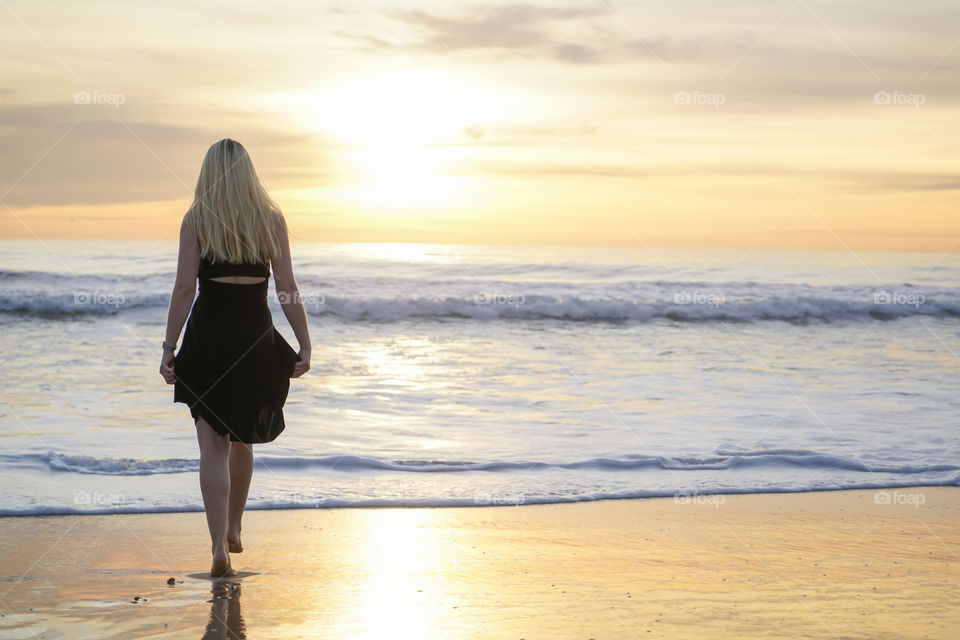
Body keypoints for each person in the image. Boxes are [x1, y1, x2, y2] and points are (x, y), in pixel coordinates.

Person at [159, 138, 311, 577]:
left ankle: (215, 548)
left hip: (208, 337)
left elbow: (185, 289)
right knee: (243, 438)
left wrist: (169, 347)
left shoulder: (197, 219)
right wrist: (304, 341)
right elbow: (286, 287)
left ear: (208, 173)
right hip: (253, 338)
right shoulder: (270, 219)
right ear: (248, 172)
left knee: (212, 444)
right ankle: (234, 526)